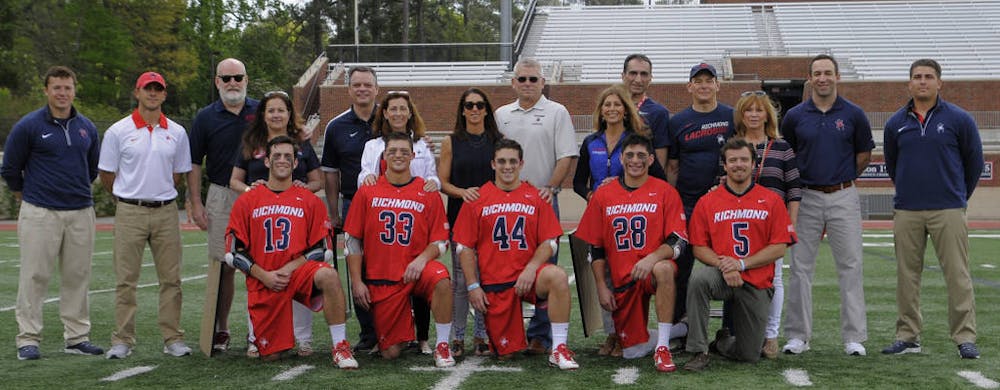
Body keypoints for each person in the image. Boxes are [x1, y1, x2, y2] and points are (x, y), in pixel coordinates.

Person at [224, 135, 357, 367]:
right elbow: (233, 252)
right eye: (276, 156)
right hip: (264, 278)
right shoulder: (248, 200)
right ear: (266, 161)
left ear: (296, 163)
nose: (282, 160)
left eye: (288, 156)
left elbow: (323, 248)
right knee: (272, 356)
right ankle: (265, 339)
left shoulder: (309, 200)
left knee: (328, 274)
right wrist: (264, 275)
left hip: (297, 273)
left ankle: (340, 346)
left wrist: (289, 268)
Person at [882, 58, 983, 359]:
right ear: (909, 83)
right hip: (908, 210)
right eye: (917, 77)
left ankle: (964, 337)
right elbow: (892, 165)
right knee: (906, 276)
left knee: (958, 275)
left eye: (928, 77)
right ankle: (908, 335)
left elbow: (974, 163)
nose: (922, 81)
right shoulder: (895, 123)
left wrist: (958, 196)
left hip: (948, 209)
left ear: (940, 82)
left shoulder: (959, 119)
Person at [2, 66, 104, 360]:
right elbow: (10, 169)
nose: (62, 93)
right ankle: (28, 339)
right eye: (57, 87)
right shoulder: (29, 126)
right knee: (35, 276)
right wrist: (27, 194)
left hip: (81, 212)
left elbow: (92, 168)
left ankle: (76, 337)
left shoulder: (87, 127)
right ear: (46, 90)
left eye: (67, 87)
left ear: (75, 90)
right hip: (41, 212)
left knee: (77, 276)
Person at [453, 139, 579, 369]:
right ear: (493, 164)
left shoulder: (536, 196)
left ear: (521, 163)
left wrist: (530, 269)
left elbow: (550, 242)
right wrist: (473, 286)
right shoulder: (477, 198)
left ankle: (559, 348)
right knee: (505, 354)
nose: (507, 166)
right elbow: (465, 247)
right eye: (501, 161)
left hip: (528, 278)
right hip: (496, 283)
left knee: (557, 276)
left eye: (512, 161)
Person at [780, 54, 873, 357]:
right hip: (805, 196)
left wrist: (841, 180)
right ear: (810, 78)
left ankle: (854, 337)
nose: (823, 78)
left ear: (837, 77)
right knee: (800, 268)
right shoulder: (794, 116)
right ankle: (797, 335)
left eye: (828, 72)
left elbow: (862, 156)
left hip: (843, 195)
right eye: (817, 73)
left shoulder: (854, 114)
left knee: (850, 266)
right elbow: (789, 157)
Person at [99, 71, 193, 359]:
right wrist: (127, 196)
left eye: (158, 89)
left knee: (171, 279)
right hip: (129, 210)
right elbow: (106, 174)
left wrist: (158, 192)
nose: (152, 94)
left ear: (164, 95)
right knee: (126, 280)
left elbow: (178, 173)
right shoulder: (117, 131)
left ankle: (172, 337)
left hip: (166, 211)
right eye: (147, 89)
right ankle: (123, 340)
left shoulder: (177, 132)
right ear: (137, 92)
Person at [575, 134, 688, 373]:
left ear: (650, 159)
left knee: (664, 268)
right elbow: (595, 247)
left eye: (640, 156)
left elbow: (678, 241)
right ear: (621, 159)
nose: (635, 160)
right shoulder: (604, 195)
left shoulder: (665, 191)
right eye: (629, 155)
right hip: (622, 280)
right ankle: (679, 330)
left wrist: (652, 258)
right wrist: (601, 286)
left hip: (650, 271)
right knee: (632, 352)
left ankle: (663, 346)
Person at [683, 138, 797, 372]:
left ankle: (723, 342)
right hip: (722, 275)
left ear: (753, 164)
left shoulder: (772, 200)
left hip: (755, 280)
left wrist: (742, 264)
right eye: (732, 160)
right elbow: (699, 247)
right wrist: (726, 266)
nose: (738, 165)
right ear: (724, 165)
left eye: (744, 159)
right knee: (698, 279)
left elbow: (779, 246)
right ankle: (698, 350)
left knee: (749, 355)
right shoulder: (708, 201)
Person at [343, 132, 456, 367]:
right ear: (384, 155)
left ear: (413, 156)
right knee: (391, 353)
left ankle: (443, 345)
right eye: (393, 151)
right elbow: (353, 240)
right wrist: (356, 281)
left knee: (442, 279)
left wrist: (421, 260)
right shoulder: (368, 190)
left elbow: (441, 241)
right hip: (383, 278)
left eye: (404, 152)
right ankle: (407, 322)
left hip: (416, 270)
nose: (398, 155)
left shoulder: (427, 191)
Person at [572, 84, 667, 356]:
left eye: (617, 104)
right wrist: (591, 194)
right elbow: (578, 181)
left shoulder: (636, 140)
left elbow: (658, 176)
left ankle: (633, 332)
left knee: (628, 273)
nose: (612, 109)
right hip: (601, 215)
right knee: (602, 273)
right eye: (607, 105)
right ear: (600, 111)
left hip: (632, 217)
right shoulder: (591, 142)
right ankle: (612, 335)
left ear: (626, 110)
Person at [229, 90, 324, 356]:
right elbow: (235, 180)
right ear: (263, 114)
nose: (276, 114)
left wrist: (303, 189)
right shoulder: (252, 142)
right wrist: (253, 192)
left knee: (298, 276)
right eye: (270, 110)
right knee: (259, 275)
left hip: (295, 217)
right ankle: (254, 335)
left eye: (281, 110)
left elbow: (317, 180)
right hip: (261, 218)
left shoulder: (301, 142)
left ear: (289, 114)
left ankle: (303, 337)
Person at [495, 58, 578, 353]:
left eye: (533, 79)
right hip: (506, 205)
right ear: (513, 82)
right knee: (505, 266)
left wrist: (551, 188)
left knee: (546, 267)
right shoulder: (501, 114)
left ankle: (541, 336)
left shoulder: (557, 112)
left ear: (543, 82)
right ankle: (509, 332)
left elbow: (566, 155)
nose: (528, 84)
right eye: (522, 79)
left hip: (542, 202)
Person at [357, 90, 439, 354]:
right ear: (384, 113)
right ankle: (375, 334)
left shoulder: (422, 145)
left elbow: (433, 178)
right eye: (393, 109)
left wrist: (431, 184)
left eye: (403, 109)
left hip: (416, 216)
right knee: (375, 276)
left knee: (420, 275)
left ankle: (423, 337)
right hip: (382, 218)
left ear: (410, 112)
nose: (398, 113)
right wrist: (368, 179)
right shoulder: (373, 146)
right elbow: (365, 176)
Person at [188, 58, 258, 354]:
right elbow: (193, 162)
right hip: (221, 195)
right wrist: (195, 202)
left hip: (259, 195)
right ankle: (221, 328)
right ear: (216, 81)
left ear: (246, 79)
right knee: (223, 265)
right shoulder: (205, 117)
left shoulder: (261, 110)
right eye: (226, 78)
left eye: (237, 77)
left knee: (263, 264)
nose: (232, 83)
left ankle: (261, 329)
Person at [732, 90, 801, 358]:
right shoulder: (733, 145)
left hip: (772, 224)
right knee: (740, 276)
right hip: (738, 224)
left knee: (775, 279)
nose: (753, 115)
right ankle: (743, 332)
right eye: (748, 110)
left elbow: (794, 189)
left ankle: (771, 336)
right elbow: (721, 181)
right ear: (741, 114)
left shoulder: (782, 147)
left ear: (767, 115)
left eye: (759, 110)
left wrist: (790, 224)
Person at [666, 62, 735, 332]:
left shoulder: (731, 116)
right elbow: (673, 165)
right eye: (699, 80)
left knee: (727, 263)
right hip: (688, 202)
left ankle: (730, 330)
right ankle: (680, 327)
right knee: (681, 267)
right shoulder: (678, 122)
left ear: (718, 85)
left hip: (724, 204)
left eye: (709, 80)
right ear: (689, 86)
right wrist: (673, 205)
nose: (704, 85)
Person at [438, 88, 501, 357]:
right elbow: (442, 181)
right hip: (460, 216)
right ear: (462, 110)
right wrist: (462, 192)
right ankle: (458, 336)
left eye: (479, 105)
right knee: (462, 280)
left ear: (486, 110)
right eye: (469, 105)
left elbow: (504, 176)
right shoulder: (451, 141)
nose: (474, 110)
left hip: (490, 217)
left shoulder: (498, 141)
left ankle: (482, 335)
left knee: (486, 277)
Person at [321, 65, 379, 353]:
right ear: (349, 89)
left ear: (376, 88)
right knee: (359, 267)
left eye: (367, 84)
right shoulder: (336, 126)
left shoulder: (392, 117)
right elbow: (330, 172)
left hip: (392, 204)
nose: (362, 89)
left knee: (392, 265)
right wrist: (333, 212)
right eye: (357, 85)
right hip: (354, 202)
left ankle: (398, 327)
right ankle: (368, 332)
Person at [621, 54, 670, 172]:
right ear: (623, 76)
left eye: (644, 74)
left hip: (642, 181)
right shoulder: (612, 108)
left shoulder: (658, 112)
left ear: (650, 78)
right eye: (633, 73)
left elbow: (660, 161)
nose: (638, 79)